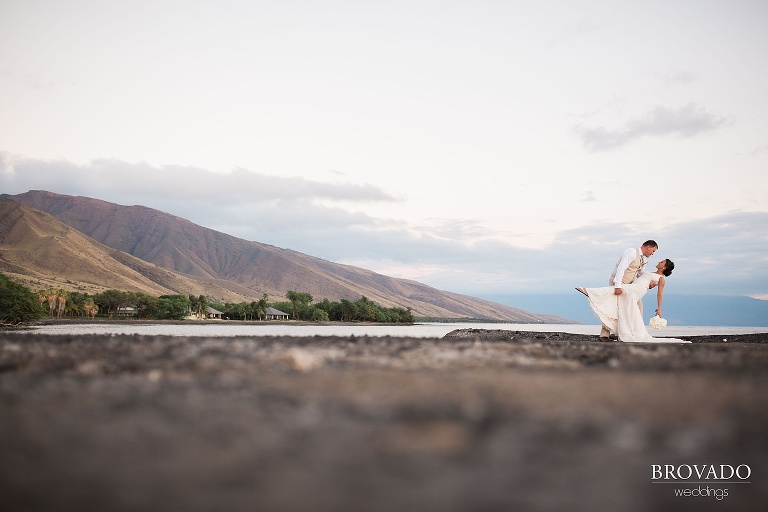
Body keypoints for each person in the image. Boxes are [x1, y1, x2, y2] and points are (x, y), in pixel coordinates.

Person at [576, 259, 689, 343]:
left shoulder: (660, 279)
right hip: (635, 286)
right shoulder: (650, 272)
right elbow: (639, 274)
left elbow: (660, 294)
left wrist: (659, 309)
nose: (659, 262)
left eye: (662, 262)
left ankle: (589, 291)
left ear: (664, 267)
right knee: (620, 303)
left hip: (637, 290)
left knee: (617, 289)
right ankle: (625, 331)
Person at [598, 240, 659, 340]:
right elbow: (621, 268)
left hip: (629, 287)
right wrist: (617, 286)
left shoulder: (642, 259)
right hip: (619, 284)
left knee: (638, 306)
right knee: (614, 308)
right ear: (648, 247)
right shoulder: (631, 252)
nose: (652, 253)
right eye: (653, 251)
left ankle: (633, 332)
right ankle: (604, 334)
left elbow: (640, 273)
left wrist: (650, 281)